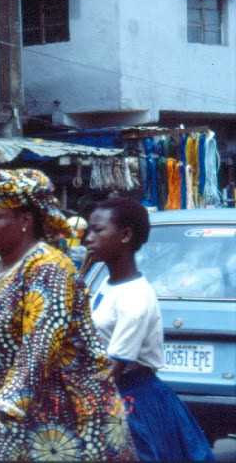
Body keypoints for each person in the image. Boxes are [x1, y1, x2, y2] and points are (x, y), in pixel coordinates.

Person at [0, 167, 136, 460]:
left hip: (73, 423)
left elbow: (38, 350)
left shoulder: (50, 268)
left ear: (25, 219)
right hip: (22, 420)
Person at [86, 196, 215, 461]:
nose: (87, 238)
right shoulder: (103, 285)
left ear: (125, 235)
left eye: (97, 230)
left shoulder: (135, 297)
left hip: (132, 401)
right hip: (108, 395)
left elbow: (114, 369)